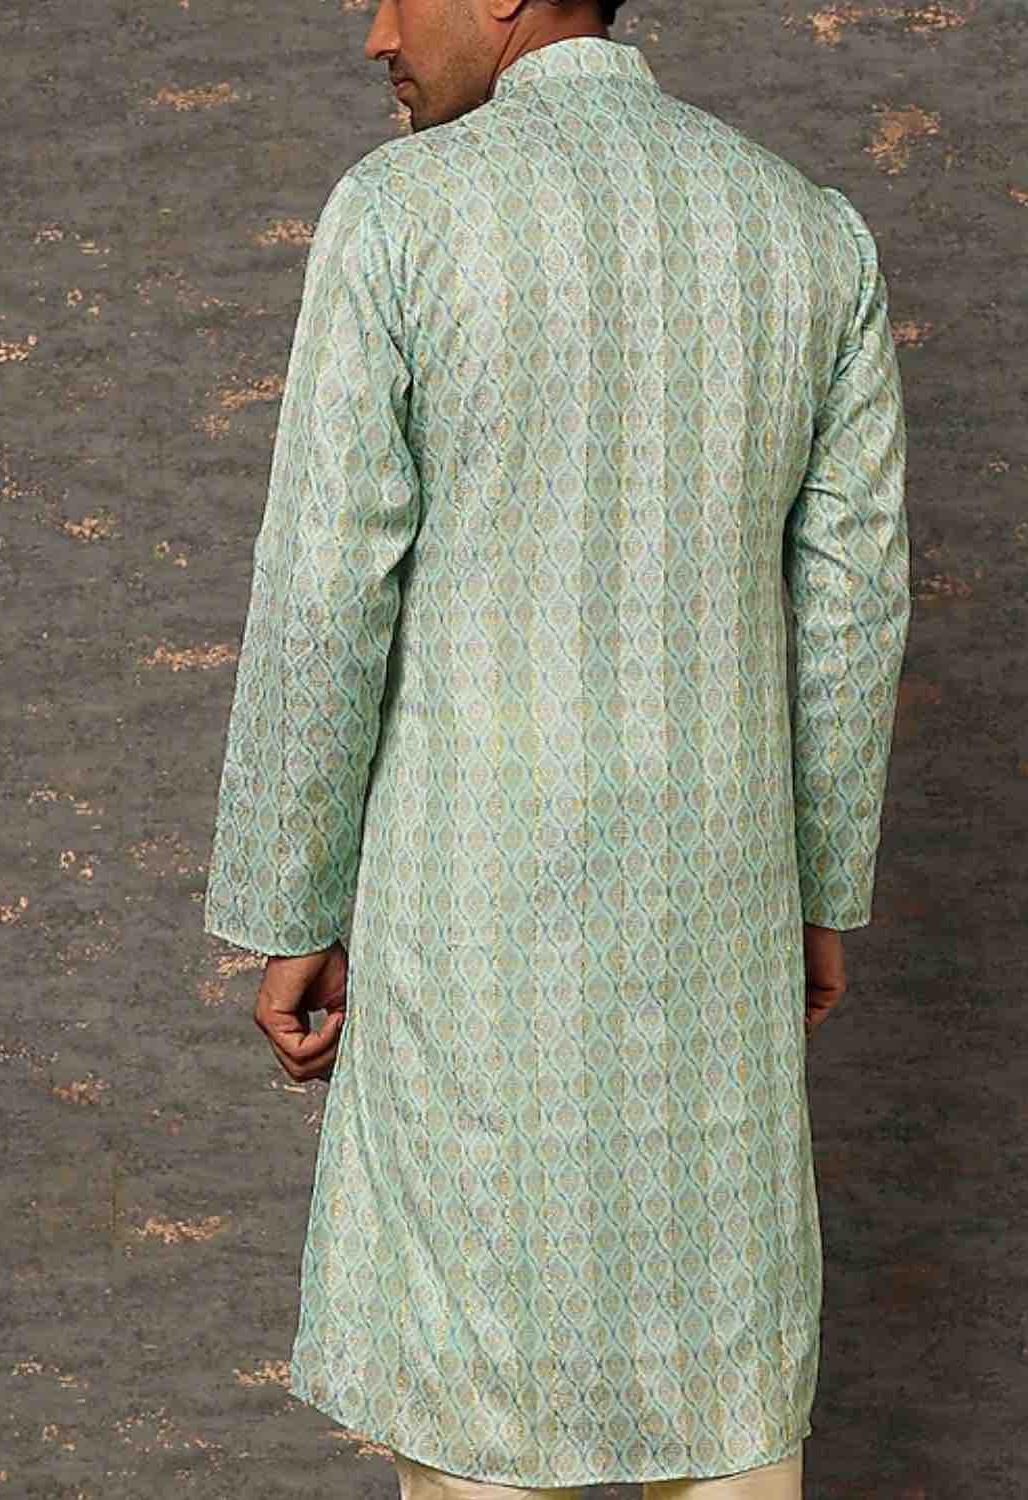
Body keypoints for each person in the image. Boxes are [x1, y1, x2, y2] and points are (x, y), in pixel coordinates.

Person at [200, 0, 911, 1496]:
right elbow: (852, 606)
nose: (375, 33)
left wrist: (290, 909)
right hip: (718, 923)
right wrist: (819, 888)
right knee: (722, 1397)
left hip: (476, 944)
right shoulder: (806, 234)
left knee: (483, 1408)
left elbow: (327, 589)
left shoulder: (402, 216)